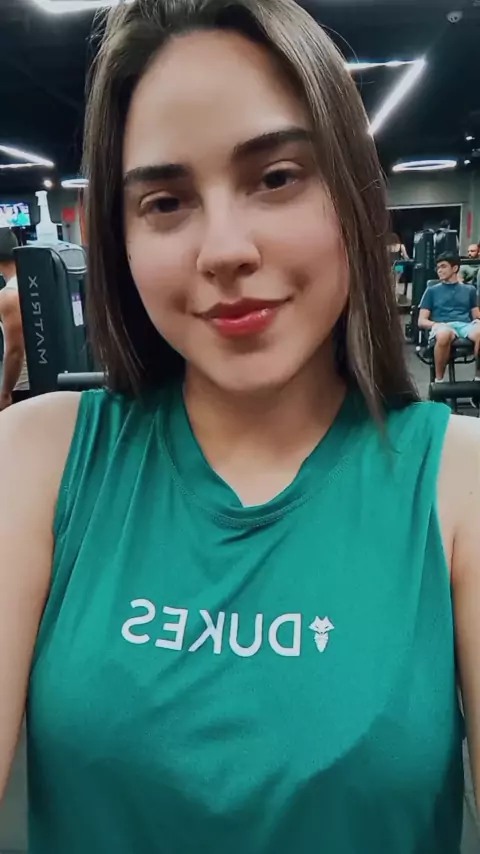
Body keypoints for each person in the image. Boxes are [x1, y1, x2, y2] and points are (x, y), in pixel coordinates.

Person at [0, 1, 479, 853]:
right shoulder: (36, 460)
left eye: (277, 177)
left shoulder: (459, 485)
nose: (224, 249)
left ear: (353, 194)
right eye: (165, 200)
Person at [418, 251, 480, 382]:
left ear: (455, 268)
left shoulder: (470, 290)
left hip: (465, 325)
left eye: (443, 266)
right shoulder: (431, 291)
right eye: (438, 268)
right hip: (443, 325)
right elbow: (421, 321)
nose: (439, 270)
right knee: (444, 334)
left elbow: (476, 316)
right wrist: (436, 324)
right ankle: (439, 380)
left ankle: (478, 378)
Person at [0, 228, 29, 408]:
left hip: (24, 387)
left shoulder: (9, 295)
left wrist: (5, 392)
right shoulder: (32, 281)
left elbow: (15, 351)